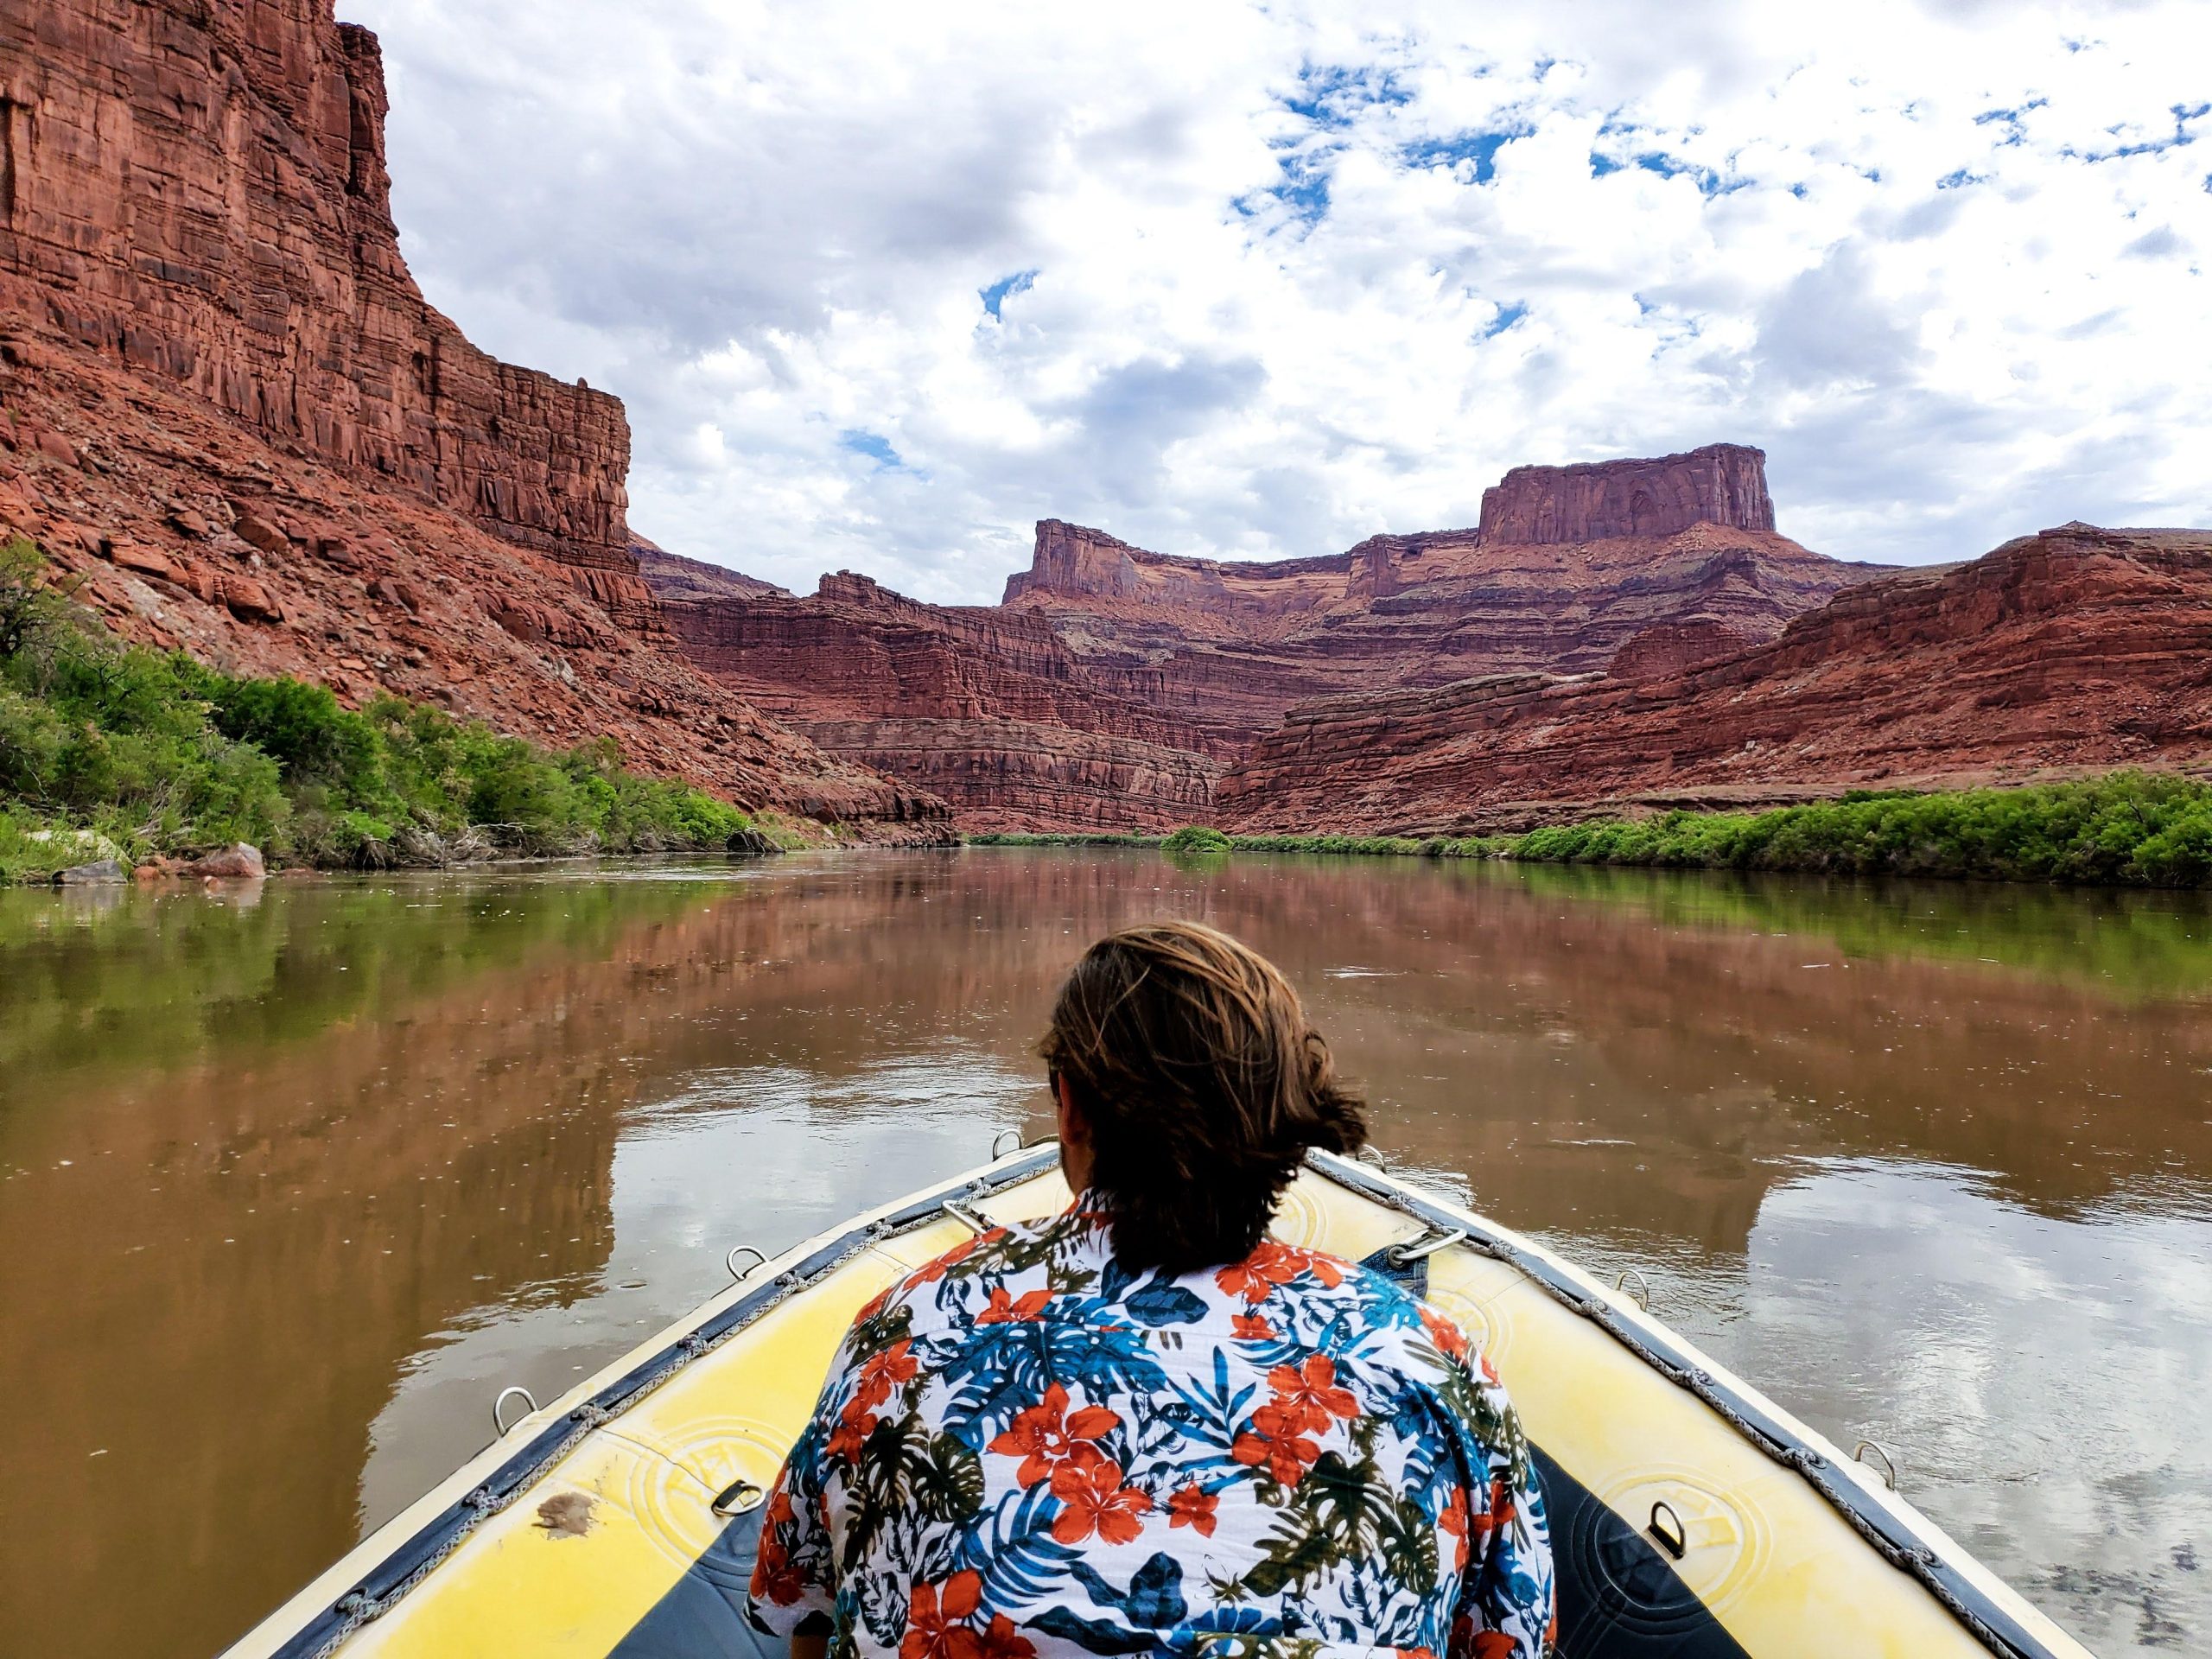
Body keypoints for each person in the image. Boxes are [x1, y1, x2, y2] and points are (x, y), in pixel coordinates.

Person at [747, 920, 1554, 1659]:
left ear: (1070, 1108)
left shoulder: (904, 1325)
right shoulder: (1438, 1362)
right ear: (1283, 1118)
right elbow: (1510, 1641)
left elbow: (801, 1613)